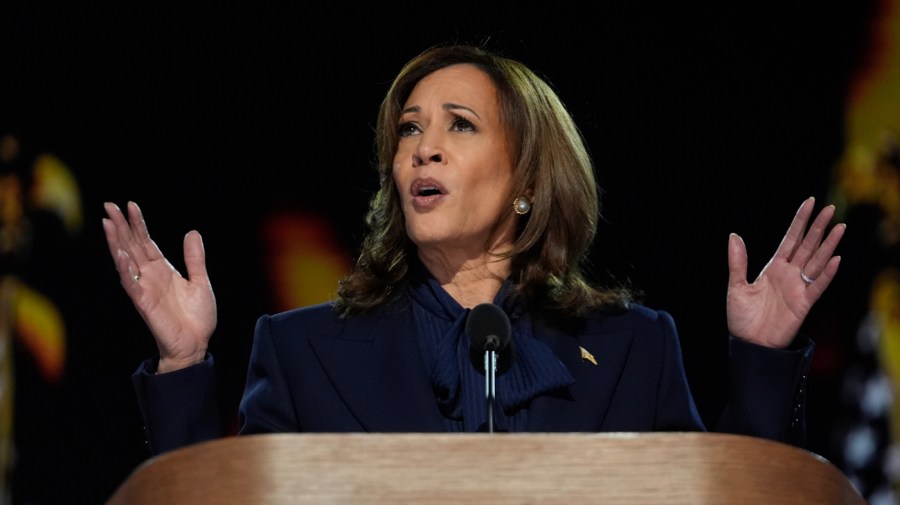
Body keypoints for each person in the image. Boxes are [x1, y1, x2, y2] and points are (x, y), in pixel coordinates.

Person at [102, 43, 845, 456]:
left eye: (459, 124)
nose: (423, 149)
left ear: (526, 177)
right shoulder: (300, 350)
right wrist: (182, 364)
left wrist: (762, 361)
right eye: (408, 129)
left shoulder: (633, 350)